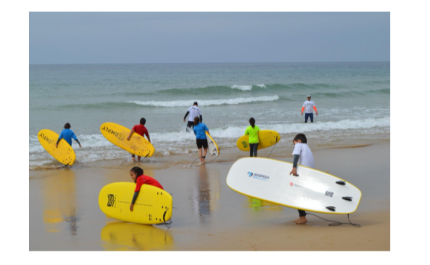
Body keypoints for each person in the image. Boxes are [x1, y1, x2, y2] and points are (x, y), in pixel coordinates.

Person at [289, 133, 315, 224]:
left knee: (297, 195)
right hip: (310, 174)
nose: (294, 146)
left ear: (298, 141)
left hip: (304, 174)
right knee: (300, 194)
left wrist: (294, 168)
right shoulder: (307, 148)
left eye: (294, 144)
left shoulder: (299, 145)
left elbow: (296, 155)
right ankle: (302, 216)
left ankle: (302, 217)